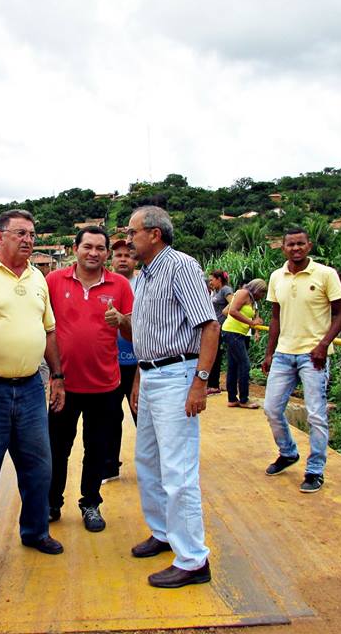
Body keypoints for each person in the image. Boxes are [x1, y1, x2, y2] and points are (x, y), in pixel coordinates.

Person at [0, 209, 66, 574]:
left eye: (33, 235)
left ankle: (35, 531)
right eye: (20, 233)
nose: (28, 240)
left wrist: (57, 376)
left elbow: (48, 330)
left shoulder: (39, 278)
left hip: (30, 388)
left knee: (39, 468)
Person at [126, 204, 219, 589]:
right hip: (149, 376)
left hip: (177, 374)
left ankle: (194, 559)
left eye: (132, 232)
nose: (128, 239)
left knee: (178, 470)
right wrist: (136, 380)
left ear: (155, 234)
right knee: (148, 461)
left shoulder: (180, 266)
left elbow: (209, 326)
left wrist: (200, 382)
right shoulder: (143, 276)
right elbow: (144, 335)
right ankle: (164, 533)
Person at [46, 226, 134, 532]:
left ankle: (90, 503)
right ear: (75, 249)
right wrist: (54, 375)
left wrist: (122, 320)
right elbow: (46, 330)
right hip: (64, 385)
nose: (93, 253)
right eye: (88, 247)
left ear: (107, 253)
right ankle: (51, 502)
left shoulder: (120, 285)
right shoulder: (54, 281)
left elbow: (133, 333)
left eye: (100, 248)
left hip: (105, 386)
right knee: (57, 448)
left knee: (96, 449)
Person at [262, 227, 341, 493]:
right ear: (283, 247)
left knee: (316, 415)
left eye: (300, 244)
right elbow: (275, 318)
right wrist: (269, 352)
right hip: (284, 354)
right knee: (271, 409)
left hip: (313, 355)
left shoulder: (325, 274)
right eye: (291, 244)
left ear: (309, 246)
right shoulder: (277, 276)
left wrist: (323, 345)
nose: (296, 248)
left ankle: (315, 470)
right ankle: (288, 452)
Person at [102, 237, 138, 483]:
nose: (123, 259)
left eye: (128, 255)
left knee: (143, 415)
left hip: (139, 364)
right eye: (119, 255)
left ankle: (153, 464)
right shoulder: (104, 285)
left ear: (135, 259)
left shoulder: (145, 285)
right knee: (110, 418)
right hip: (111, 364)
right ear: (111, 259)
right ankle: (109, 466)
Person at [220, 279, 267, 409]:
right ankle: (244, 399)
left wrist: (255, 321)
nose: (262, 296)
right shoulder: (243, 293)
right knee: (244, 365)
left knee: (233, 365)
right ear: (257, 289)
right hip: (232, 332)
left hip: (237, 333)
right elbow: (232, 311)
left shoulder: (252, 300)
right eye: (262, 293)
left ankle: (232, 398)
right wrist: (251, 322)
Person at [206, 270, 232, 394]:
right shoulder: (215, 292)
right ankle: (211, 383)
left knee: (216, 356)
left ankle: (214, 385)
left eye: (212, 279)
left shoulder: (226, 290)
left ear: (219, 279)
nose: (211, 282)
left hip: (221, 328)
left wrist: (224, 313)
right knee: (211, 355)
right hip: (214, 328)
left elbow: (233, 304)